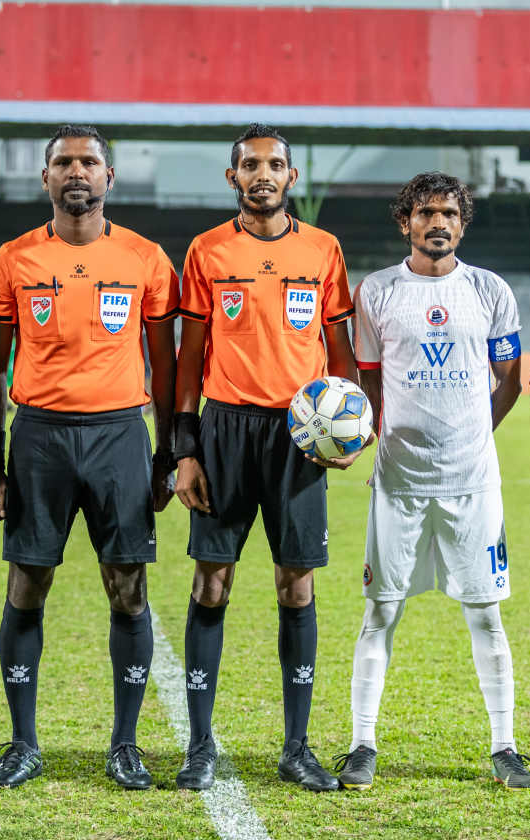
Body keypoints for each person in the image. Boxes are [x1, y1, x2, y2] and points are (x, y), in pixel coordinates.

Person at [0, 125, 178, 790]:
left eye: (89, 162)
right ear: (46, 178)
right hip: (39, 438)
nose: (76, 171)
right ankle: (23, 743)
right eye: (63, 162)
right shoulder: (13, 260)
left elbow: (166, 364)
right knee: (27, 584)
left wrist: (167, 454)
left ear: (108, 177)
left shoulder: (147, 259)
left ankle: (125, 745)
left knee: (128, 587)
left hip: (120, 435)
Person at [335, 172, 530, 792]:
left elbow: (510, 378)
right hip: (398, 482)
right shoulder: (377, 291)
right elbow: (369, 379)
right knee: (381, 611)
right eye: (425, 213)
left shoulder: (489, 290)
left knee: (486, 616)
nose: (438, 223)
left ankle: (505, 746)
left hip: (473, 483)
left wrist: (475, 435)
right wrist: (370, 438)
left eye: (449, 213)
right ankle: (362, 744)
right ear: (406, 222)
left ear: (462, 223)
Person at [172, 124, 358, 792]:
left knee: (296, 585)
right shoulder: (207, 250)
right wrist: (185, 449)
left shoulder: (324, 250)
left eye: (274, 165)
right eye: (250, 165)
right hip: (224, 431)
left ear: (291, 177)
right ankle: (199, 746)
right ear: (233, 178)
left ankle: (297, 748)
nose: (263, 175)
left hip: (300, 435)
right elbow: (189, 357)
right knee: (211, 582)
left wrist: (349, 431)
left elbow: (341, 355)